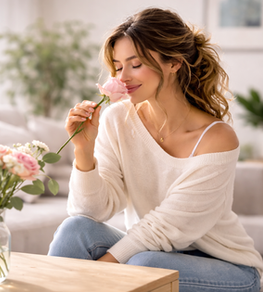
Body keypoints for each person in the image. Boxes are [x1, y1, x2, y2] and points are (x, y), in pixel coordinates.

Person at [48, 7, 263, 292]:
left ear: (174, 62)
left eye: (135, 64)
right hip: (151, 253)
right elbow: (91, 211)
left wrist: (94, 276)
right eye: (118, 65)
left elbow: (163, 228)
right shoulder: (116, 119)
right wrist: (83, 151)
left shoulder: (217, 138)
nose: (122, 77)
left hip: (228, 269)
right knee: (75, 230)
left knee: (143, 266)